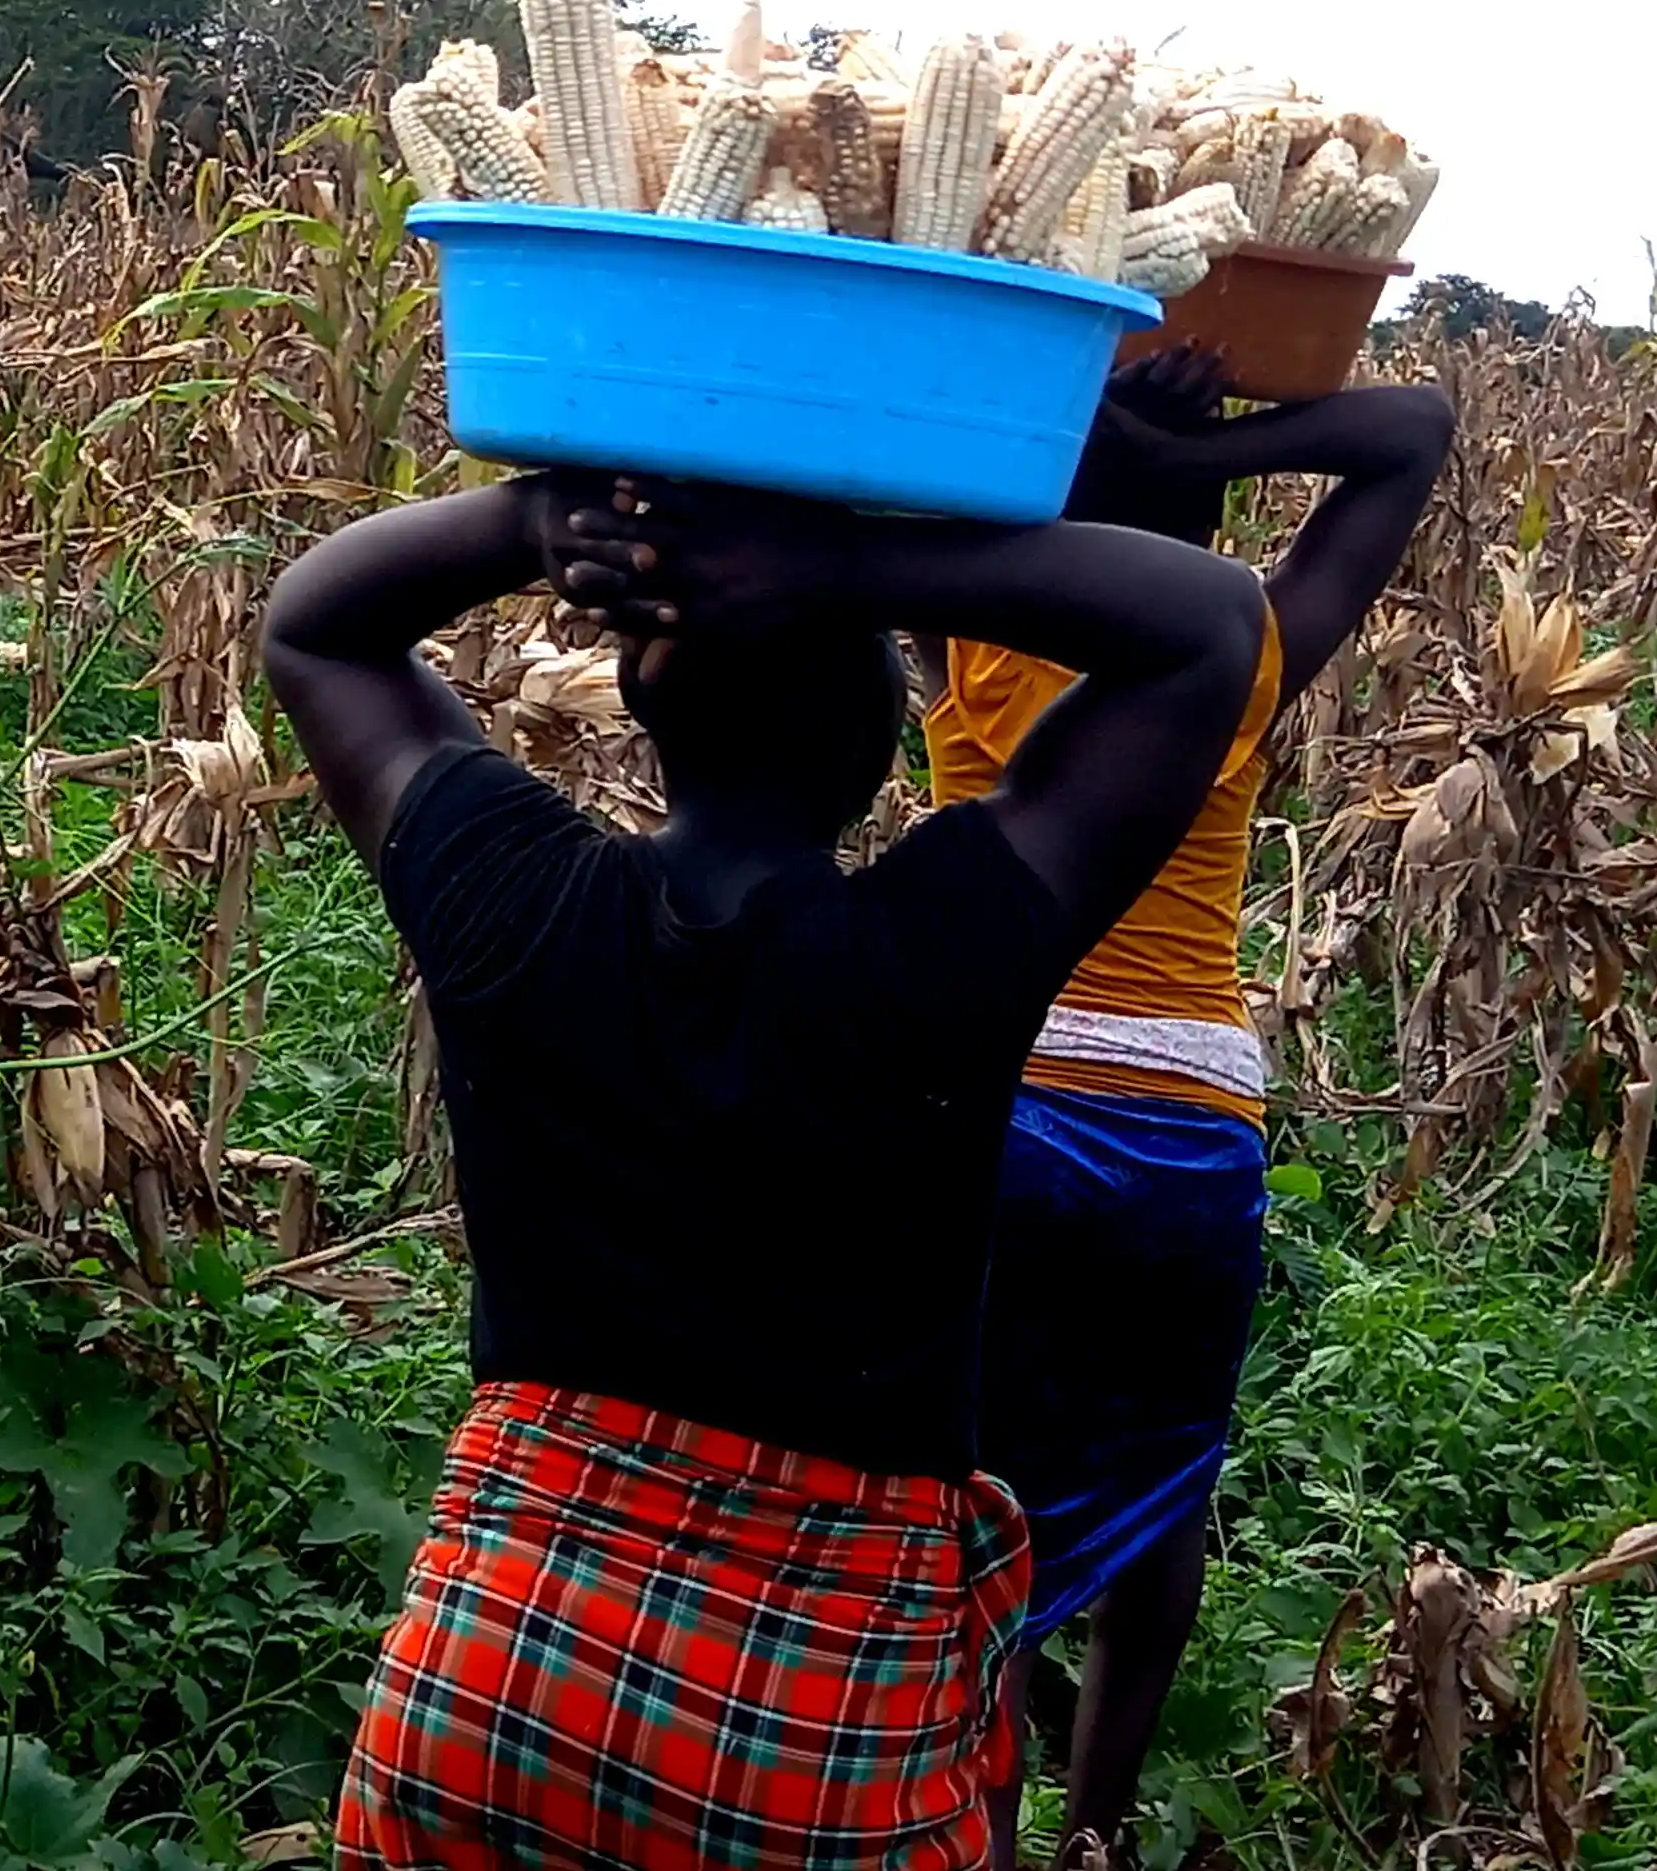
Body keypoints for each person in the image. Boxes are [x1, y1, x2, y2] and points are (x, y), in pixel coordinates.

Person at [265, 463, 1267, 1869]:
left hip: (493, 1688)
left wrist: (536, 523)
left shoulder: (513, 898)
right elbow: (1212, 625)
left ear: (646, 696)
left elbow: (314, 625)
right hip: (817, 1735)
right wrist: (854, 564)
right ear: (876, 743)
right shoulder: (939, 951)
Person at [937, 351, 1452, 1870]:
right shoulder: (1243, 648)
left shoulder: (976, 634)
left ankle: (981, 1814)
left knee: (971, 1482)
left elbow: (875, 452)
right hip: (1189, 1118)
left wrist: (1074, 411)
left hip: (1008, 1096)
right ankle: (1097, 1835)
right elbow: (1414, 426)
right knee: (1168, 1479)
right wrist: (1200, 442)